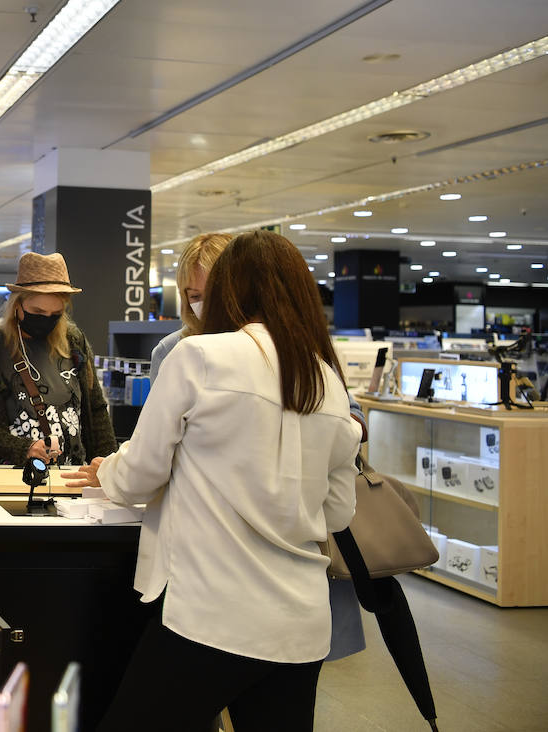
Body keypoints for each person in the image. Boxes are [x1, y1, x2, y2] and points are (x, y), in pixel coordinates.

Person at [70, 230, 361, 731]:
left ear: (230, 287)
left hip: (210, 612)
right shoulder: (326, 380)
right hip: (301, 624)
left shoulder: (199, 357)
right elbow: (336, 511)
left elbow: (139, 475)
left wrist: (110, 471)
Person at [0, 251, 116, 466]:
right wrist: (23, 448)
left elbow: (95, 410)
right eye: (37, 312)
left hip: (70, 479)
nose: (46, 320)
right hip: (6, 479)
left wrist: (106, 465)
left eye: (55, 314)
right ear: (17, 305)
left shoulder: (74, 341)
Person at [149, 233, 232, 380]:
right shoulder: (170, 350)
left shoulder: (264, 345)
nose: (207, 306)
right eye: (195, 296)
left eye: (214, 294)